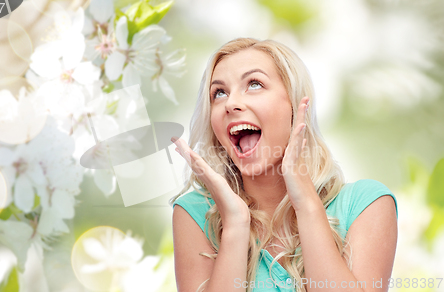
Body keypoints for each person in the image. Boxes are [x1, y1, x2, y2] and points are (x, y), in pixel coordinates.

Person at [169, 38, 398, 292]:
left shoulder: (366, 205)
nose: (231, 103)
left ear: (294, 103)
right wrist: (235, 225)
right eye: (219, 93)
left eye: (254, 84)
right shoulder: (195, 214)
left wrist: (305, 201)